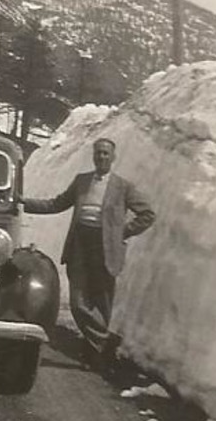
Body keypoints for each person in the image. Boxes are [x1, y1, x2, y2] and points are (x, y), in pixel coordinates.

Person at [23, 138, 155, 368]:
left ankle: (94, 354)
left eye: (106, 154)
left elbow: (147, 214)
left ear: (113, 158)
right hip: (81, 246)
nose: (101, 157)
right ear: (93, 156)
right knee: (78, 302)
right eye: (98, 153)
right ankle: (103, 341)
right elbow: (56, 204)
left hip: (106, 249)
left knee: (102, 303)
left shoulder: (123, 187)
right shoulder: (82, 181)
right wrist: (24, 203)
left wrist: (121, 232)